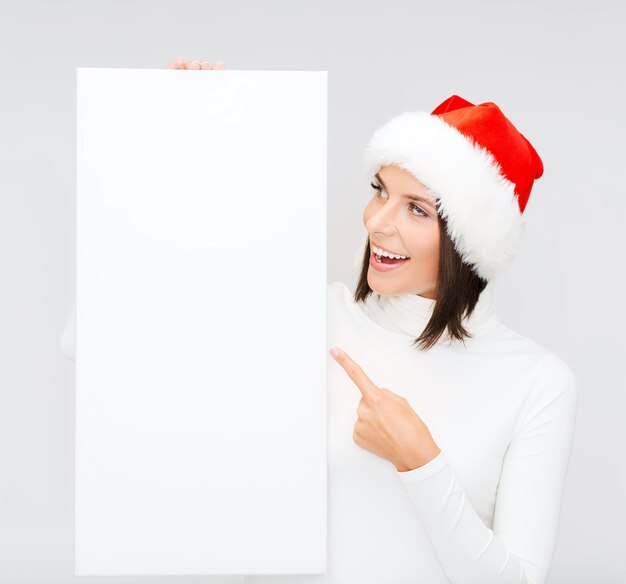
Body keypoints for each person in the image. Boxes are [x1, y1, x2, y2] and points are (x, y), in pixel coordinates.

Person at [61, 60, 579, 584]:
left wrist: (420, 461)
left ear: (470, 242)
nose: (376, 221)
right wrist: (170, 139)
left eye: (417, 210)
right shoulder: (306, 317)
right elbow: (105, 343)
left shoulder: (538, 383)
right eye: (380, 191)